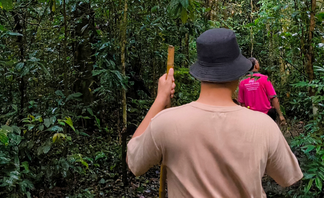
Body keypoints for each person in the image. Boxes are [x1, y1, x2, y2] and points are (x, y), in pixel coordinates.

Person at [127, 28, 302, 197]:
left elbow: (134, 161)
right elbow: (286, 176)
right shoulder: (263, 126)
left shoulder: (166, 122)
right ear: (237, 73)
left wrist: (160, 99)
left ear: (200, 73)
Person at [238, 57, 286, 125]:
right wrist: (281, 115)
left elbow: (242, 104)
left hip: (250, 117)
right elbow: (274, 98)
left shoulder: (242, 82)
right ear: (256, 66)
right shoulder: (264, 79)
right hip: (266, 116)